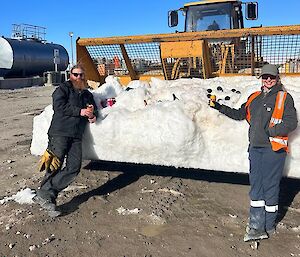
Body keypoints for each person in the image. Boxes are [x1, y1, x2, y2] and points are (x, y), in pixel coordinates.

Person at [209, 64, 297, 241]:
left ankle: (269, 225)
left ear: (277, 79)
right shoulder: (254, 97)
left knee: (270, 187)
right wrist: (219, 107)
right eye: (265, 77)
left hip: (274, 149)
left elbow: (292, 122)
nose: (268, 80)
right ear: (261, 78)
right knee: (256, 187)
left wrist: (272, 131)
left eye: (271, 77)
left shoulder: (284, 98)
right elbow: (240, 114)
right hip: (255, 149)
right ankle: (256, 224)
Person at [33, 64, 97, 217]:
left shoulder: (87, 94)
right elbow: (59, 106)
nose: (79, 77)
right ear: (70, 75)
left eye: (81, 75)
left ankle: (45, 192)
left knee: (74, 167)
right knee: (54, 165)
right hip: (60, 133)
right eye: (76, 74)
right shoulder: (63, 89)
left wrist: (93, 116)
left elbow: (94, 110)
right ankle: (47, 196)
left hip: (76, 136)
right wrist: (80, 111)